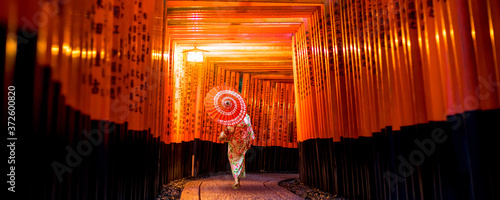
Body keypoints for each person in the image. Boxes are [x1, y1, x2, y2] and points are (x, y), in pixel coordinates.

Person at [218, 113, 255, 189]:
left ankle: (236, 180)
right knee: (241, 159)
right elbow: (249, 129)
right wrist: (248, 141)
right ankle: (238, 180)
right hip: (243, 140)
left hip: (235, 141)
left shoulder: (234, 116)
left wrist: (223, 134)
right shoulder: (247, 116)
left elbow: (230, 129)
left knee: (233, 159)